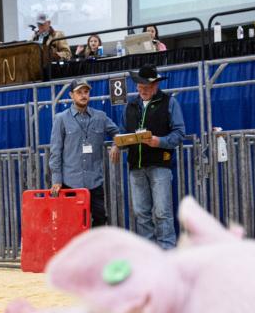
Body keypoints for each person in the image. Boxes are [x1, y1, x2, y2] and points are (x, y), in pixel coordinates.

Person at [114, 64, 185, 249]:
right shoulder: (130, 106)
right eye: (140, 86)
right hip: (135, 166)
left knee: (162, 211)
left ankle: (167, 250)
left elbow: (179, 133)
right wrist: (117, 144)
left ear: (155, 86)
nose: (143, 90)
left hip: (160, 164)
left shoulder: (169, 103)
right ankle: (150, 252)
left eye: (147, 87)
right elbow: (123, 131)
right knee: (141, 212)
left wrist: (159, 141)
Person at [49, 78, 121, 227]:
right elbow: (55, 150)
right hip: (70, 182)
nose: (83, 95)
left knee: (100, 219)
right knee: (72, 222)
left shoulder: (100, 116)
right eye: (79, 92)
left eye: (86, 92)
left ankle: (96, 250)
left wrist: (116, 145)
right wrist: (56, 179)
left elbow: (117, 133)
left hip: (94, 180)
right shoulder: (61, 119)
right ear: (71, 95)